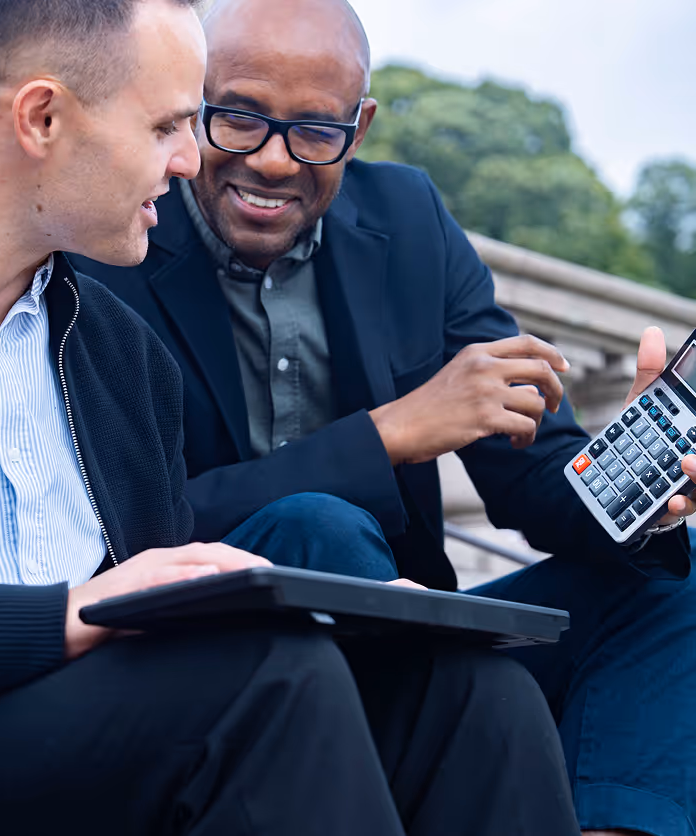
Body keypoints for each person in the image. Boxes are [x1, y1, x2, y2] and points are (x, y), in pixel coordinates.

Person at [0, 1, 582, 835]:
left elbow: (136, 607)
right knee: (263, 686)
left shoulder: (119, 357)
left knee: (471, 689)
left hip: (66, 743)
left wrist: (331, 606)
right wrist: (55, 619)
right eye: (171, 123)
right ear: (42, 117)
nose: (192, 158)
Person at [71, 1, 696, 834]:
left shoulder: (409, 220)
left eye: (315, 133)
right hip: (204, 653)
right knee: (318, 529)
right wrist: (389, 434)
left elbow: (534, 478)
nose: (272, 162)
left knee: (676, 577)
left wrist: (642, 491)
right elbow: (128, 528)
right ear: (193, 100)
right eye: (240, 119)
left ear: (359, 127)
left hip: (415, 636)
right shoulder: (115, 241)